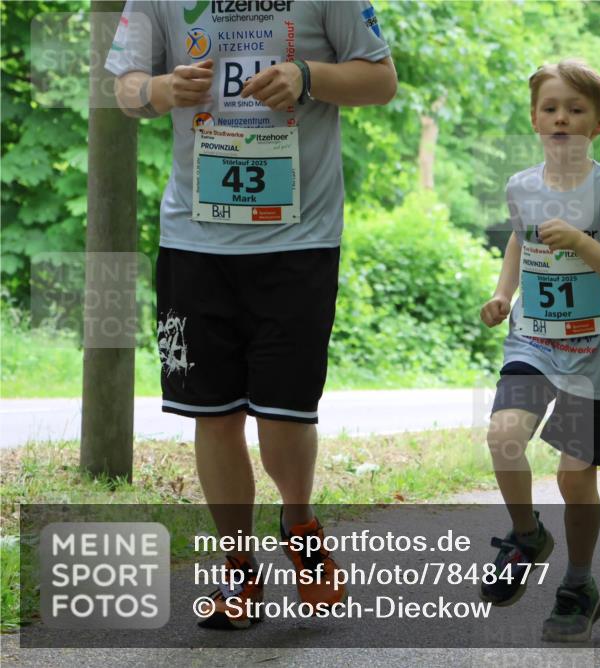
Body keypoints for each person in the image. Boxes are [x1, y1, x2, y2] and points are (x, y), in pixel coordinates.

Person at [107, 1, 397, 630]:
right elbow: (124, 87)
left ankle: (299, 521)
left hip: (299, 237)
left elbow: (381, 79)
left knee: (284, 416)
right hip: (196, 238)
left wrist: (308, 77)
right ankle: (239, 576)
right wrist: (157, 87)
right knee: (213, 416)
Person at [478, 59, 600, 643]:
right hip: (532, 342)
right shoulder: (522, 186)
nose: (561, 118)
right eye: (550, 108)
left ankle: (578, 584)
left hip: (591, 358)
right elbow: (519, 245)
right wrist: (503, 295)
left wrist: (579, 241)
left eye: (575, 110)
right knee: (503, 435)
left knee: (576, 478)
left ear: (599, 123)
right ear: (534, 118)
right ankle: (526, 535)